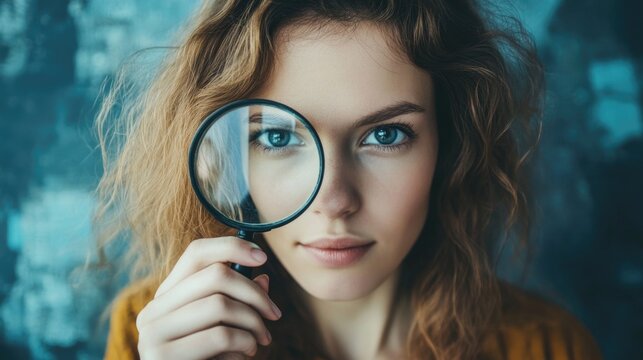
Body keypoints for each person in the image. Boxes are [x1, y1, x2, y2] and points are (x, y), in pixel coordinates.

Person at [94, 0, 603, 359]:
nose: (335, 201)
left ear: (450, 148)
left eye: (385, 135)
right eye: (275, 138)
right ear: (222, 158)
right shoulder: (156, 337)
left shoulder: (545, 347)